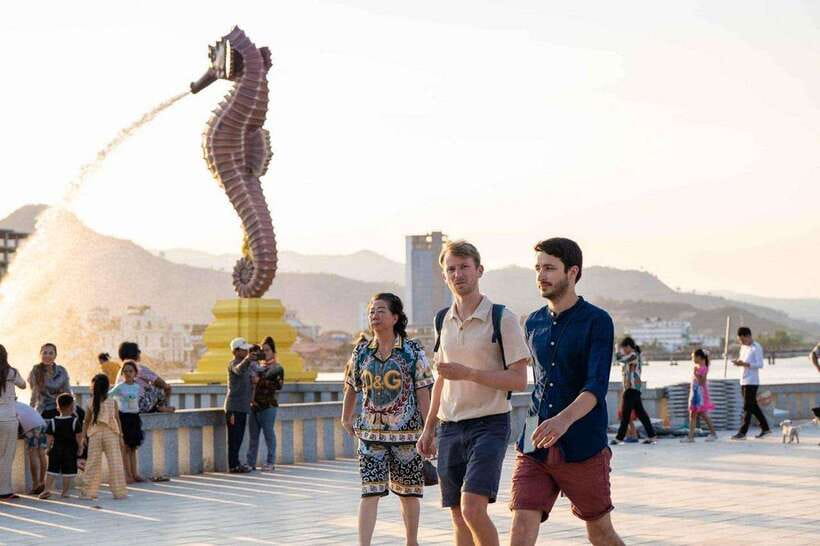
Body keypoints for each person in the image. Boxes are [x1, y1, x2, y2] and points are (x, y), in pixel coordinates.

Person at [509, 238, 624, 546]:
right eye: (537, 268)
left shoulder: (597, 321)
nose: (541, 276)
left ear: (572, 272)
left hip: (582, 444)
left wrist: (563, 420)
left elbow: (596, 386)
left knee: (600, 533)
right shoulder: (532, 322)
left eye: (549, 268)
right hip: (534, 441)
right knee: (520, 527)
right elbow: (538, 382)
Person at [416, 240, 531, 546]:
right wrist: (428, 428)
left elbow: (519, 381)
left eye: (464, 267)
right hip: (450, 427)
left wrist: (469, 374)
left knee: (472, 509)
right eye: (451, 269)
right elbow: (441, 378)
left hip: (489, 424)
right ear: (444, 277)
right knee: (458, 515)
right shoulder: (443, 319)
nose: (458, 274)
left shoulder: (503, 317)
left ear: (479, 270)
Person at [342, 293, 434, 546]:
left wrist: (429, 429)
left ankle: (411, 541)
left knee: (408, 493)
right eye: (372, 311)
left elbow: (423, 390)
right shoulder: (361, 351)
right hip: (370, 436)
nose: (375, 315)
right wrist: (346, 417)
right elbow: (351, 385)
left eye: (381, 310)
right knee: (369, 492)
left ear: (395, 317)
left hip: (408, 435)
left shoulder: (412, 350)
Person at [27, 343, 71, 495]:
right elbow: (34, 393)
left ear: (55, 355)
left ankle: (43, 484)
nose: (47, 355)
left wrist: (71, 414)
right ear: (40, 354)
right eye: (44, 352)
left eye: (50, 353)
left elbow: (67, 393)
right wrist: (29, 411)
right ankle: (36, 483)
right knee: (34, 449)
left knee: (45, 451)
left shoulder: (62, 371)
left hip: (57, 415)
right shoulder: (36, 370)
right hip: (40, 413)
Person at [80, 374, 127, 500]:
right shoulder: (113, 402)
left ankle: (88, 492)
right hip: (111, 433)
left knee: (92, 464)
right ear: (107, 387)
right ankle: (119, 492)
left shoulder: (90, 402)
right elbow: (117, 420)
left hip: (95, 434)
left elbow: (86, 421)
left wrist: (84, 437)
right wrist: (121, 436)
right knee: (115, 462)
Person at [247, 336, 284, 472]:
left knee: (269, 435)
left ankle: (270, 462)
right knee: (253, 437)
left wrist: (259, 381)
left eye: (267, 350)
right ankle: (250, 463)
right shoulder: (256, 367)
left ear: (273, 352)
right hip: (254, 405)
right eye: (263, 350)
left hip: (268, 406)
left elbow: (278, 386)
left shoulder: (277, 368)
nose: (265, 353)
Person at [611, 337, 657, 445]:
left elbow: (619, 359)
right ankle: (652, 435)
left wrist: (616, 349)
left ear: (628, 347)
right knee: (641, 414)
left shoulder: (633, 355)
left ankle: (619, 438)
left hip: (631, 388)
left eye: (624, 348)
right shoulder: (634, 355)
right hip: (634, 388)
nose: (623, 351)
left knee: (625, 414)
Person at [39, 393, 83, 499]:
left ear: (58, 407)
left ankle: (47, 489)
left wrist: (48, 448)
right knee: (68, 472)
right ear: (72, 406)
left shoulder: (53, 421)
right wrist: (80, 448)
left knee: (51, 470)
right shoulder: (74, 421)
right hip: (70, 450)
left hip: (56, 450)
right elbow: (79, 437)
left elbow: (49, 438)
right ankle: (65, 492)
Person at [731, 327, 771, 439]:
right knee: (752, 406)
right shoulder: (743, 347)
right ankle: (765, 428)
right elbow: (742, 360)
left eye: (743, 339)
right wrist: (738, 362)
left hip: (752, 381)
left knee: (747, 407)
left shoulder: (756, 347)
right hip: (743, 380)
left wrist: (745, 364)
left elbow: (760, 364)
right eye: (740, 340)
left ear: (748, 336)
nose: (742, 342)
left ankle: (742, 432)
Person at [109, 360, 144, 482]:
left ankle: (135, 473)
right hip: (124, 417)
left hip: (135, 418)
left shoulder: (137, 386)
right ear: (122, 373)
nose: (128, 373)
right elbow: (108, 396)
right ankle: (127, 474)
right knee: (125, 447)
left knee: (134, 447)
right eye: (126, 371)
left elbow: (140, 401)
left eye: (131, 371)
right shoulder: (120, 387)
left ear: (135, 373)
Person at [225, 337, 256, 473]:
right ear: (236, 351)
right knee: (234, 438)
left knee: (239, 437)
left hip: (243, 407)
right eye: (244, 350)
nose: (247, 352)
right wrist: (248, 359)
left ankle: (237, 463)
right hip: (234, 407)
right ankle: (233, 465)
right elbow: (238, 370)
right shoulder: (233, 364)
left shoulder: (247, 365)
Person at [117, 342, 175, 413]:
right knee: (160, 387)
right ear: (134, 353)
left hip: (123, 408)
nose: (140, 353)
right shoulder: (138, 368)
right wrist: (167, 388)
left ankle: (157, 408)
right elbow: (160, 382)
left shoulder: (121, 370)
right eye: (138, 351)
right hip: (139, 406)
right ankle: (162, 407)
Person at [1, 344, 27, 500]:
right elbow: (23, 385)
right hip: (9, 419)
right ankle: (4, 490)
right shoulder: (11, 372)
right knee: (6, 456)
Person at [681, 349, 717, 443]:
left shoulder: (703, 368)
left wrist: (695, 374)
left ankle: (712, 434)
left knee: (700, 414)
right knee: (695, 414)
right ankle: (691, 437)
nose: (692, 359)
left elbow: (702, 382)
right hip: (695, 393)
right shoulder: (698, 367)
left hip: (700, 394)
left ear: (699, 357)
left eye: (693, 357)